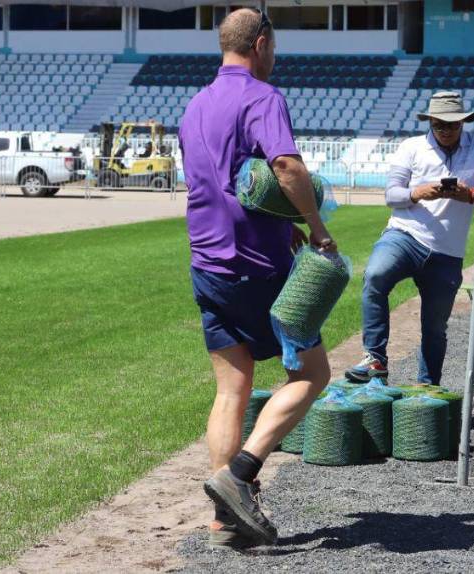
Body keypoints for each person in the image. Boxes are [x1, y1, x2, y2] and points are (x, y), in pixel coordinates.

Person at [178, 8, 336, 549]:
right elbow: (286, 167)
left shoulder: (195, 104)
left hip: (207, 261)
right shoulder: (263, 97)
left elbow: (225, 183)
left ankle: (223, 521)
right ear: (261, 44)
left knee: (231, 388)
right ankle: (240, 474)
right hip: (255, 267)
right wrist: (313, 226)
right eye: (275, 47)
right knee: (312, 373)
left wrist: (278, 225)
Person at [344, 92, 474, 385]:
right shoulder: (411, 147)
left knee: (435, 327)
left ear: (463, 122)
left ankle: (427, 390)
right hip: (405, 235)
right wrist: (418, 192)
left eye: (452, 125)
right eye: (439, 125)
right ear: (430, 122)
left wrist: (473, 194)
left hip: (447, 251)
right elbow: (391, 194)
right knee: (375, 275)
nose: (445, 131)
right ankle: (375, 357)